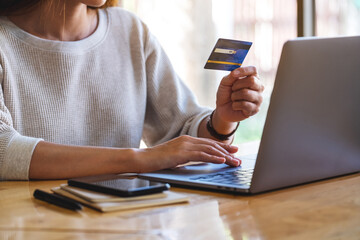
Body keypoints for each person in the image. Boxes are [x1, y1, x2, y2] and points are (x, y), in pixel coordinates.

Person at [0, 0, 264, 180]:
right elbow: (4, 150)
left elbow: (180, 131)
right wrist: (141, 159)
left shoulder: (130, 30)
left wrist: (223, 120)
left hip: (124, 221)